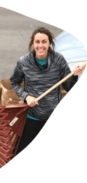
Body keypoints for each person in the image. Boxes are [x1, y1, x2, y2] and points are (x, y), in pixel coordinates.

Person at [10, 27, 84, 155]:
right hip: (33, 114)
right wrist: (26, 96)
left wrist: (74, 75)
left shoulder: (58, 60)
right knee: (19, 151)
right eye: (37, 42)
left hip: (53, 111)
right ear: (32, 42)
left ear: (49, 43)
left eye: (44, 42)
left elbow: (68, 87)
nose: (40, 45)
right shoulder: (23, 62)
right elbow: (14, 82)